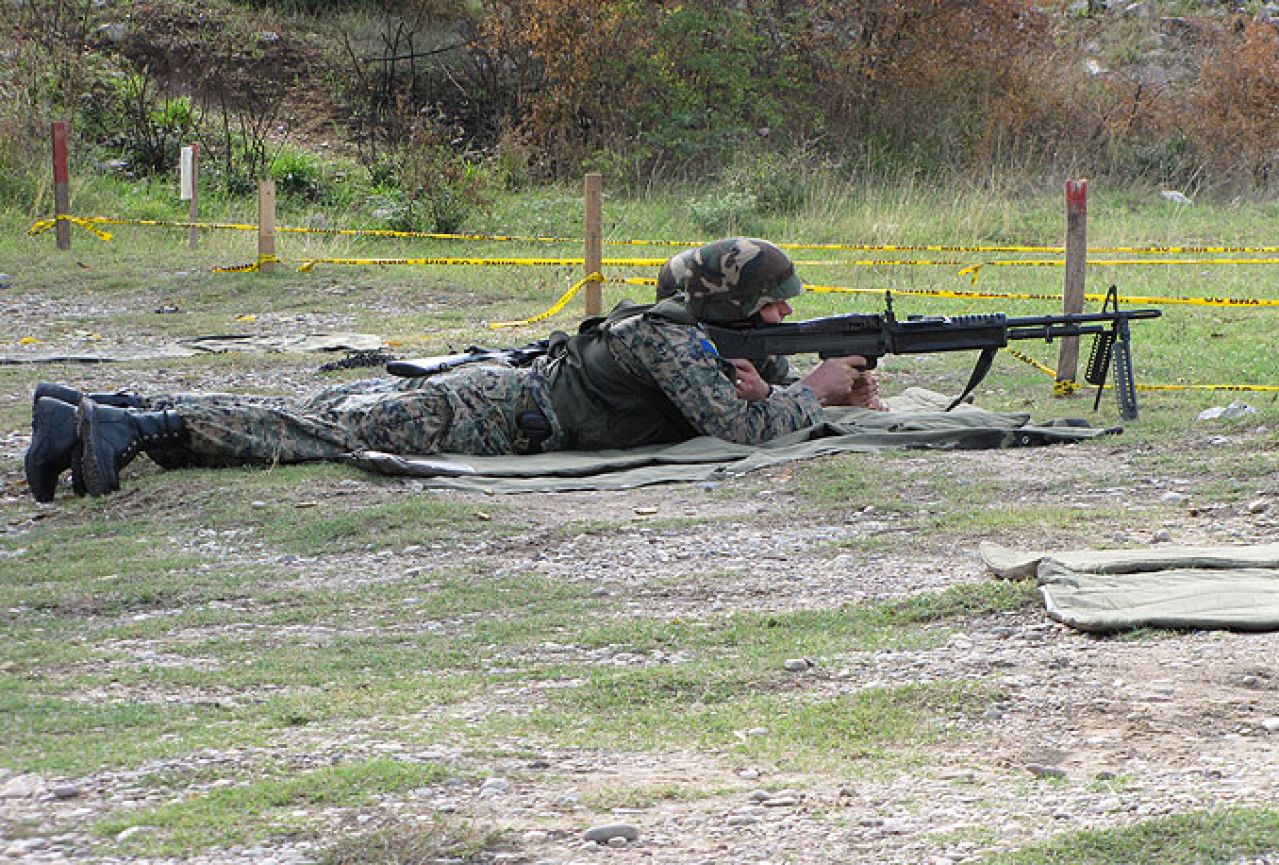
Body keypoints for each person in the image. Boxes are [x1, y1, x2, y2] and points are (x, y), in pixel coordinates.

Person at [24, 237, 884, 501]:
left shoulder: (690, 342)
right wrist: (811, 392)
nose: (782, 317)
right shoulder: (670, 338)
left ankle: (112, 410)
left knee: (317, 415)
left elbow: (735, 405)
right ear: (722, 305)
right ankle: (130, 426)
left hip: (500, 404)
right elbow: (740, 429)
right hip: (489, 414)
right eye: (769, 306)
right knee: (324, 431)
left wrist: (793, 388)